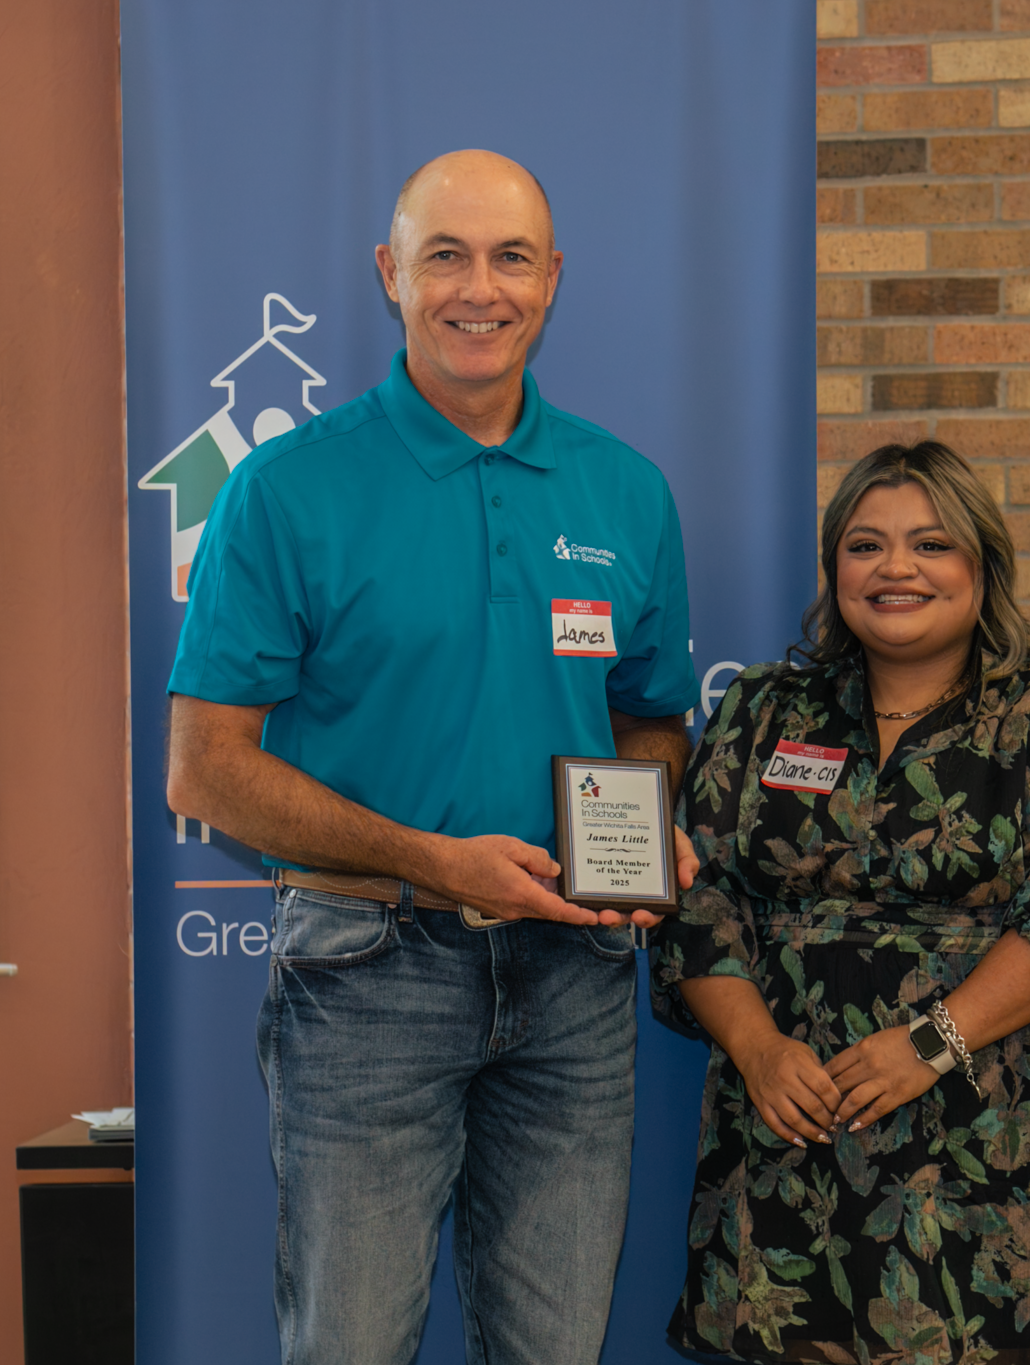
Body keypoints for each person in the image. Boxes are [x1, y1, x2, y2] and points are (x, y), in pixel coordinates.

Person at [163, 150, 698, 1365]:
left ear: (552, 279)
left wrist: (638, 820)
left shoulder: (625, 492)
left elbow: (652, 713)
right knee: (347, 1345)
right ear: (388, 275)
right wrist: (437, 864)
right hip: (365, 973)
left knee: (555, 1348)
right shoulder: (286, 491)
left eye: (511, 256)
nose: (480, 287)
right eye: (444, 254)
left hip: (573, 980)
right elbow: (204, 772)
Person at [650, 441, 1030, 1365]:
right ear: (835, 566)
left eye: (931, 544)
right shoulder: (763, 709)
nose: (896, 569)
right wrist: (759, 1051)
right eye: (866, 545)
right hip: (788, 1144)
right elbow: (698, 898)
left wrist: (931, 1042)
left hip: (1003, 1155)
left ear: (982, 565)